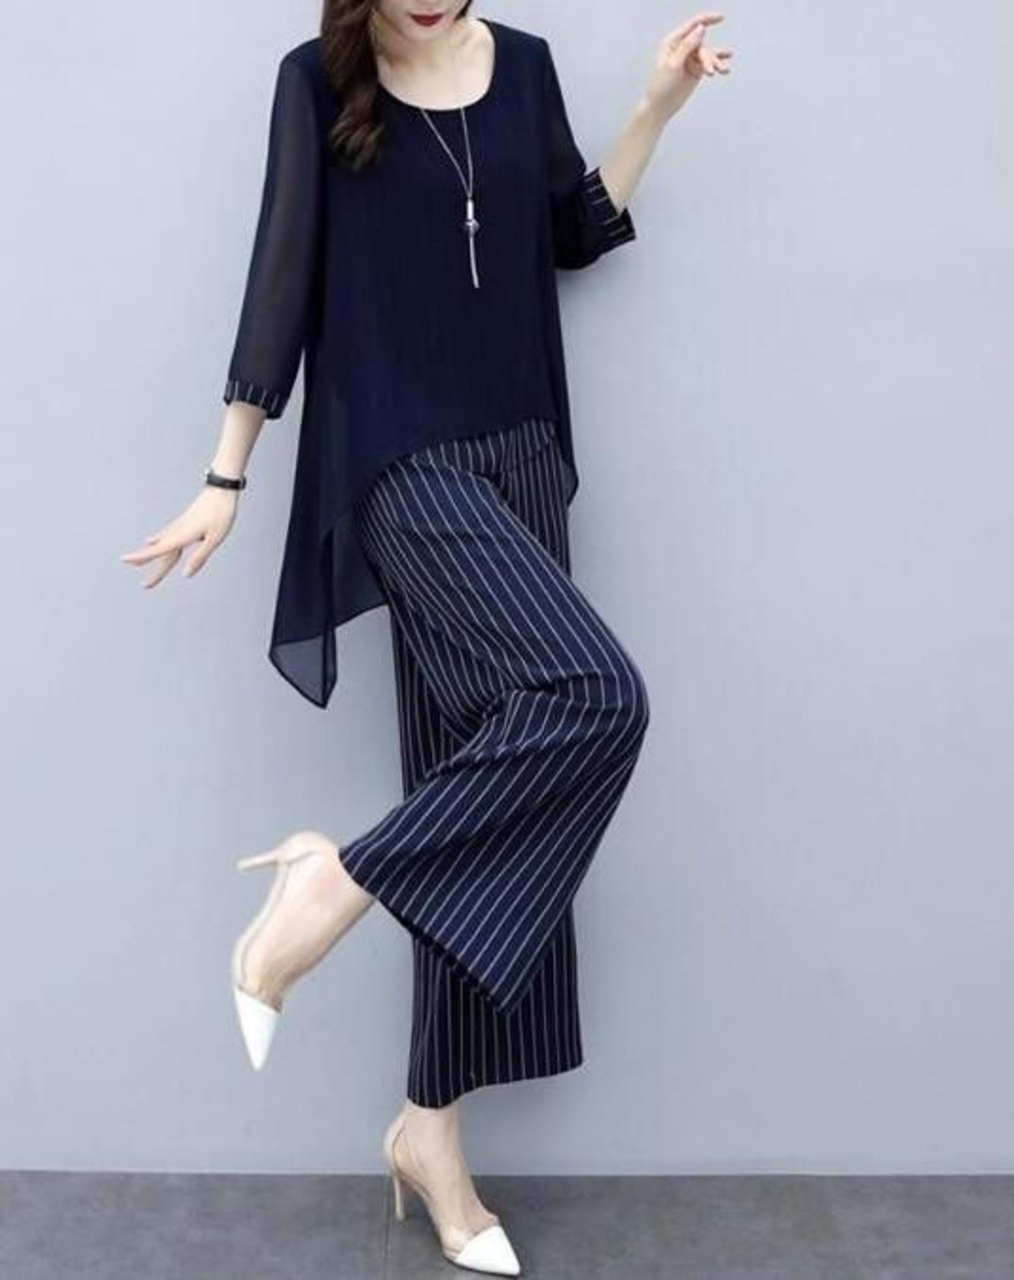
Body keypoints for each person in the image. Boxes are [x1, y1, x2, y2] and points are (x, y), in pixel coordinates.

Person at [121, 4, 732, 1274]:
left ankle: (427, 1133)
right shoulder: (315, 81)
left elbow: (570, 233)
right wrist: (225, 476)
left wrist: (655, 106)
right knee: (597, 695)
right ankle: (330, 883)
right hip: (397, 464)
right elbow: (279, 276)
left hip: (522, 458)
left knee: (483, 793)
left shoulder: (525, 67)